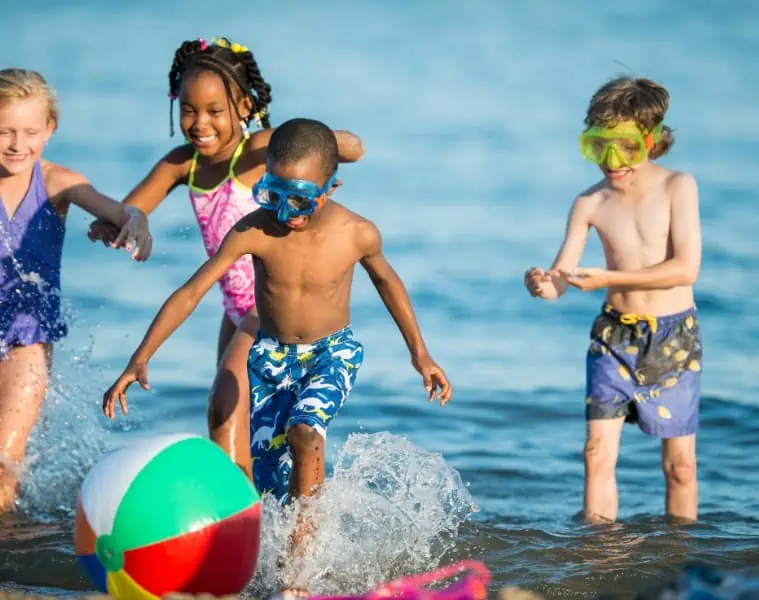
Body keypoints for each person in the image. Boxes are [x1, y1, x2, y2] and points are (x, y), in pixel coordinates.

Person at [102, 117, 451, 595]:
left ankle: (300, 579)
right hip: (268, 358)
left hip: (332, 354)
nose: (286, 211)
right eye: (273, 194)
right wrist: (139, 358)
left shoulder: (357, 233)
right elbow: (192, 292)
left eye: (301, 199)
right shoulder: (253, 231)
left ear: (331, 187)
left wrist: (421, 354)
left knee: (307, 432)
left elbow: (388, 282)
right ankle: (265, 569)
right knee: (268, 485)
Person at [87, 37, 365, 478]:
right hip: (232, 311)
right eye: (189, 110)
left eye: (215, 111)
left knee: (223, 404)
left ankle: (243, 514)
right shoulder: (184, 164)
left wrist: (313, 140)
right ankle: (255, 504)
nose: (200, 124)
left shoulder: (258, 151)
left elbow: (353, 149)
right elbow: (133, 207)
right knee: (240, 420)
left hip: (265, 303)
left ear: (242, 105)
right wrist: (127, 222)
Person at [524, 76, 702, 523]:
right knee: (595, 453)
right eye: (597, 145)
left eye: (624, 146)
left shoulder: (678, 186)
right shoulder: (589, 203)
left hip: (673, 336)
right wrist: (543, 284)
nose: (611, 160)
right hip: (613, 336)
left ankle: (681, 562)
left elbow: (686, 269)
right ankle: (600, 558)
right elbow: (559, 283)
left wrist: (606, 277)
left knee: (679, 467)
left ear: (652, 139)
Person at [0, 68, 151, 511]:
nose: (17, 144)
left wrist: (134, 223)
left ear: (50, 130)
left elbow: (118, 210)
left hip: (27, 338)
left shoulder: (55, 182)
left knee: (4, 459)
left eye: (30, 131)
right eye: (4, 131)